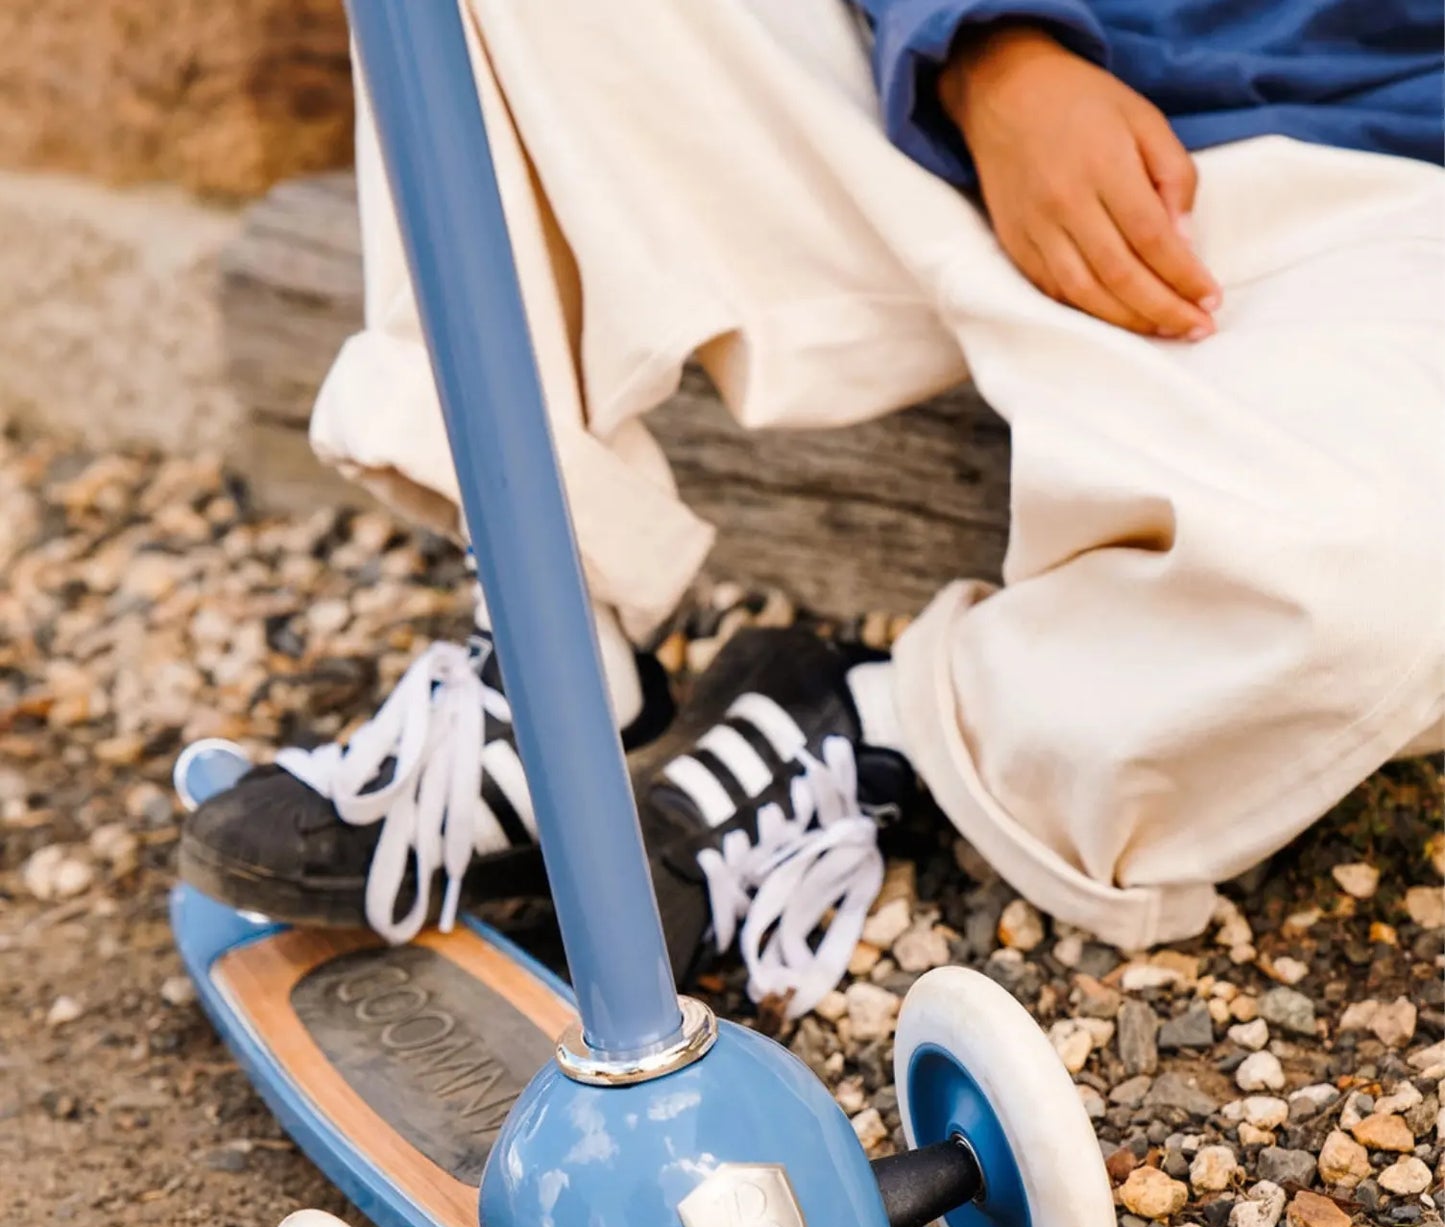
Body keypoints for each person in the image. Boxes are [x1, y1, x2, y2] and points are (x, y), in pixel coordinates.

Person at [182, 0, 1445, 1016]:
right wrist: (984, 44)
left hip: (1370, 195)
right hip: (925, 91)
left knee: (1394, 586)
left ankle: (874, 725)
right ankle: (550, 644)